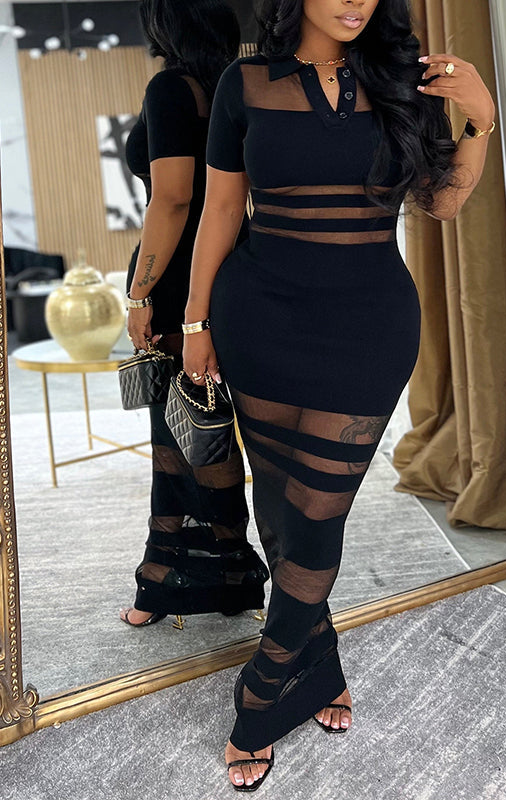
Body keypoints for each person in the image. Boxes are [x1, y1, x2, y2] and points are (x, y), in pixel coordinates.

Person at [183, 0, 496, 789]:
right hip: (258, 318)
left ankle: (262, 689)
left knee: (319, 515)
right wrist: (195, 321)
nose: (355, 1)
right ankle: (318, 663)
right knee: (279, 505)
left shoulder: (404, 80)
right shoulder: (244, 83)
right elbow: (220, 209)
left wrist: (481, 121)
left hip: (367, 328)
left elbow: (442, 202)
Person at [120, 0, 268, 628]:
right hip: (232, 270)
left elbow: (173, 199)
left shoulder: (170, 89)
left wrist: (139, 293)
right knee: (205, 423)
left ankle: (172, 578)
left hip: (180, 281)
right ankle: (226, 575)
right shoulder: (238, 86)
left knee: (177, 432)